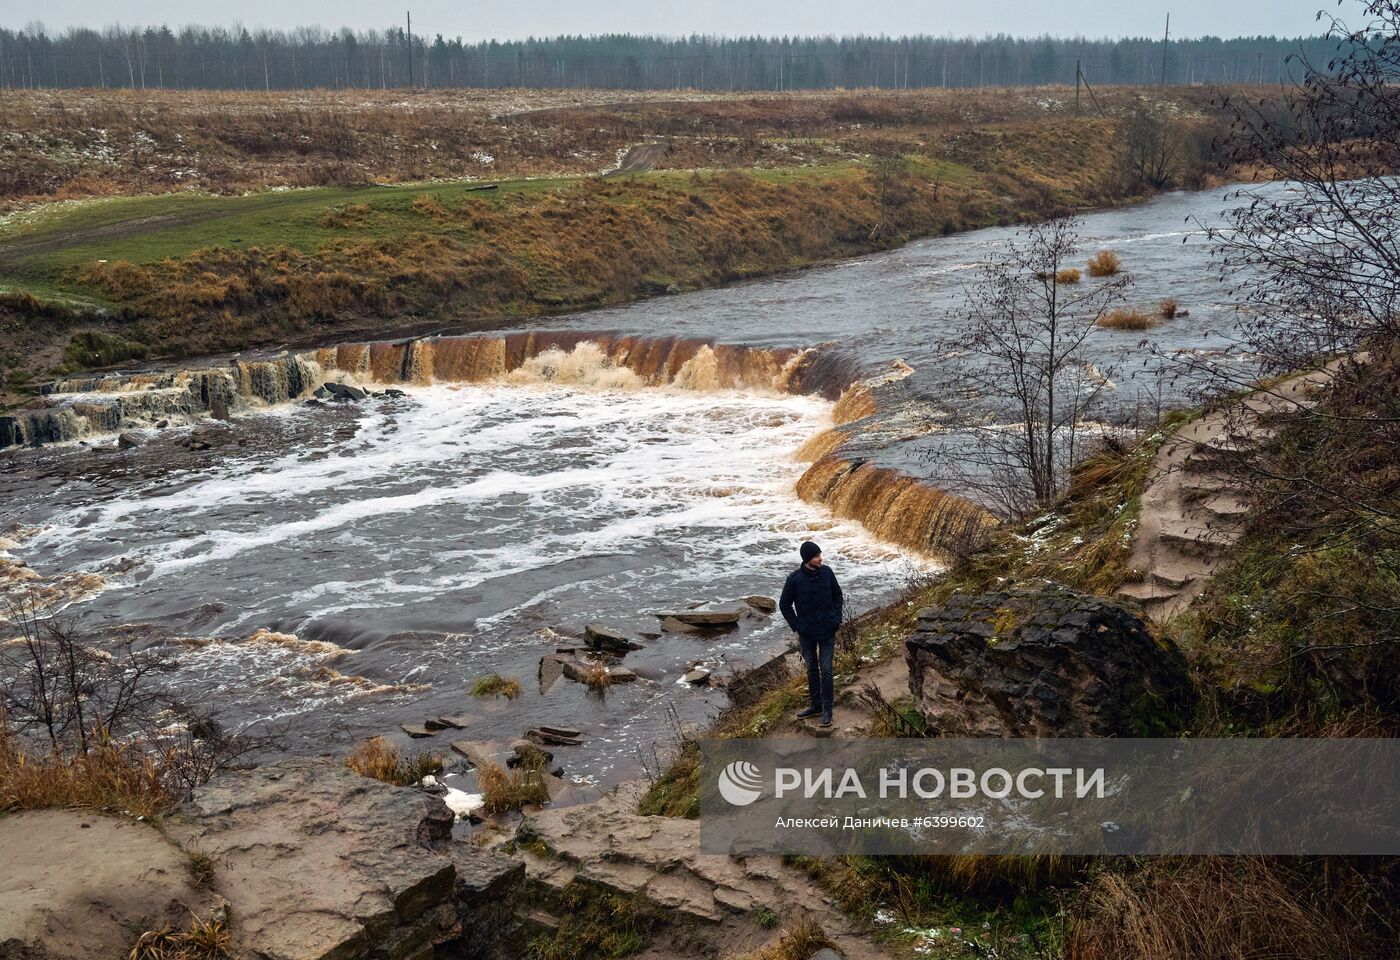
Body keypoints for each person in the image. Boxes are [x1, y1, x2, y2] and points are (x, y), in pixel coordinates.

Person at [779, 540, 843, 727]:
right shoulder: (794, 579)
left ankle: (827, 710)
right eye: (817, 556)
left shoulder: (827, 572)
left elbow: (837, 595)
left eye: (820, 555)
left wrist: (836, 618)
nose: (820, 558)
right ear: (808, 559)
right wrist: (797, 626)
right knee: (811, 670)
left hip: (827, 630)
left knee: (826, 670)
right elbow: (784, 604)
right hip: (807, 633)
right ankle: (816, 706)